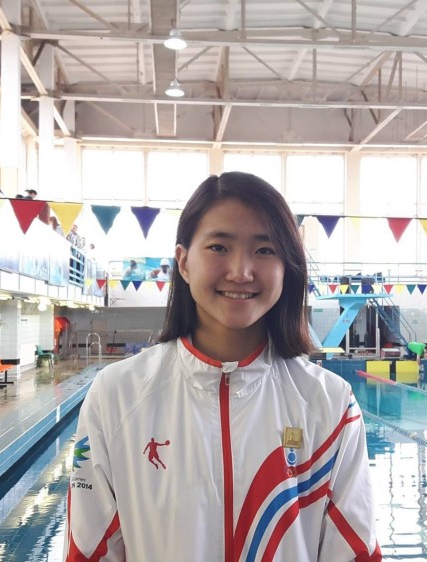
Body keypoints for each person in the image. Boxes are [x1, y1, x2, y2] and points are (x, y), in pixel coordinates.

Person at [66, 172, 380, 561]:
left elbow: (355, 551)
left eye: (264, 250)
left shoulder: (330, 404)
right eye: (219, 247)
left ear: (287, 267)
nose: (241, 272)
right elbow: (89, 550)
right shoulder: (116, 396)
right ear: (183, 262)